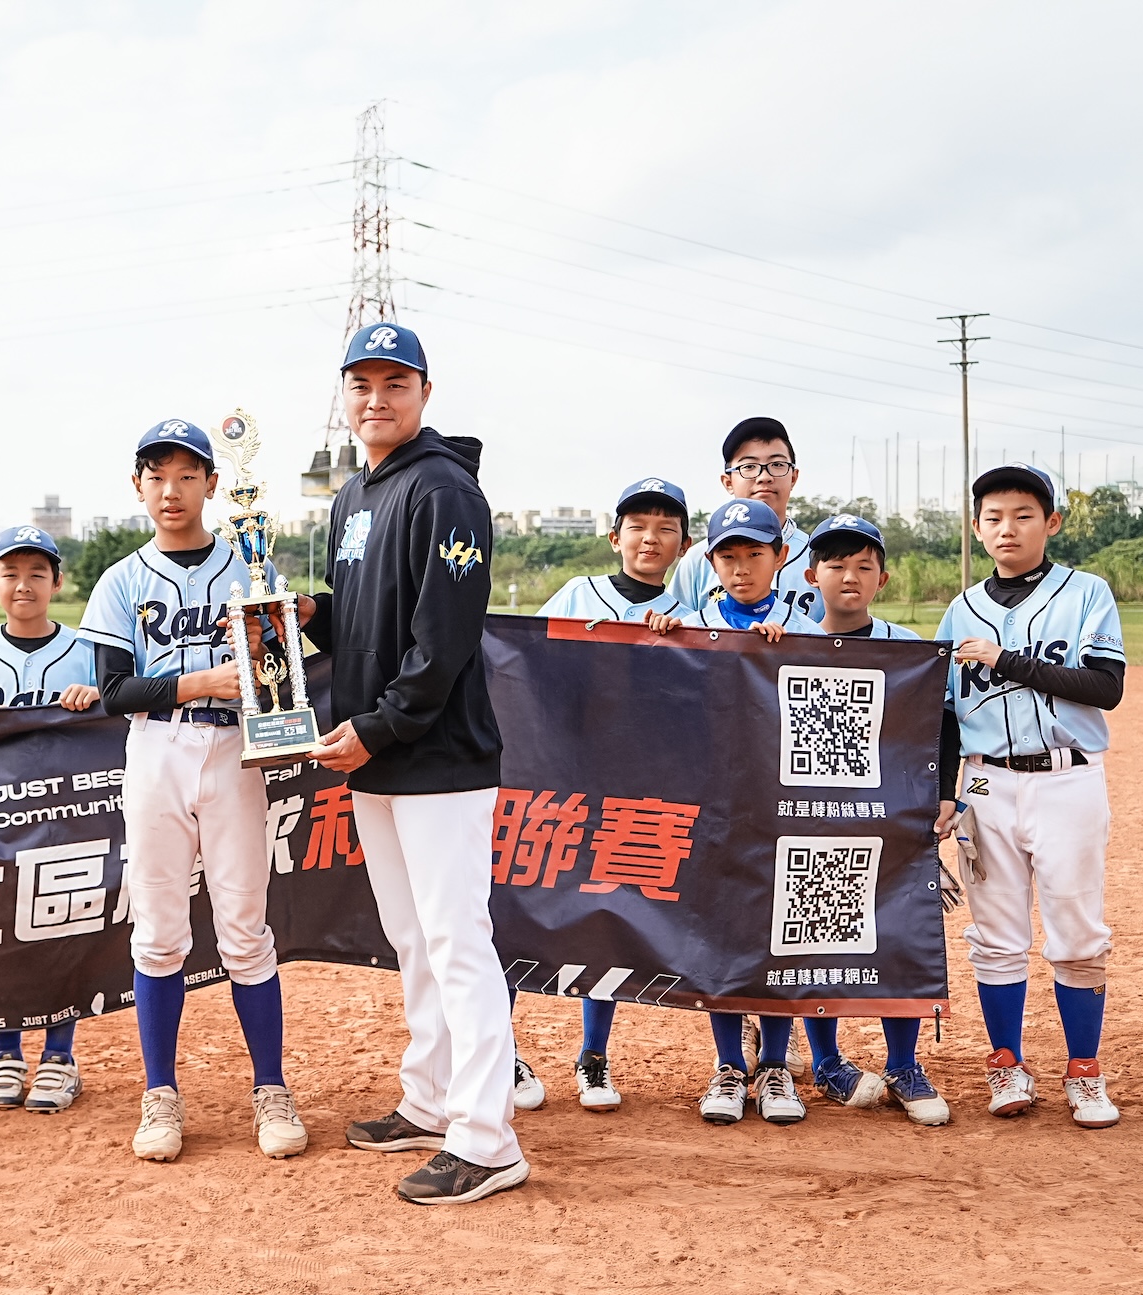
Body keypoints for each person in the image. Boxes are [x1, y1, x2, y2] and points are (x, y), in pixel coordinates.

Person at [285, 322, 527, 1205]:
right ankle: (429, 1099)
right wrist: (309, 615)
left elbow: (444, 637)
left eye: (395, 383)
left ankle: (487, 1138)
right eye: (361, 383)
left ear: (425, 392)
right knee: (413, 940)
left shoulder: (444, 489)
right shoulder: (355, 493)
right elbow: (367, 618)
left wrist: (381, 725)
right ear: (343, 395)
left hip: (436, 756)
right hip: (376, 753)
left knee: (458, 942)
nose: (376, 398)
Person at [77, 417, 307, 1164]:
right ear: (137, 486)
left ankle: (270, 1088)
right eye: (156, 476)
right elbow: (113, 690)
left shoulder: (250, 567)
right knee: (158, 932)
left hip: (235, 751)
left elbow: (283, 667)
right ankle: (160, 1094)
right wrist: (199, 680)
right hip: (157, 750)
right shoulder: (122, 578)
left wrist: (280, 647)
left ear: (212, 483)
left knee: (245, 927)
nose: (170, 490)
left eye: (185, 475)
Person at [935, 464, 1125, 1129]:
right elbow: (945, 715)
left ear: (1051, 522)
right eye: (992, 517)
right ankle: (1006, 1064)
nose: (1006, 528)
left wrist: (1004, 659)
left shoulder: (1086, 592)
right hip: (985, 782)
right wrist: (943, 792)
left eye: (1022, 515)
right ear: (976, 527)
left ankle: (1084, 1070)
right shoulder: (960, 609)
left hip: (1067, 778)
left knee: (1078, 933)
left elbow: (1104, 686)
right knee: (994, 935)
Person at [529, 476, 696, 1113]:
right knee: (520, 906)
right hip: (565, 780)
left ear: (683, 545)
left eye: (665, 529)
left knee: (607, 917)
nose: (650, 538)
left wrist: (677, 643)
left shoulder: (689, 615)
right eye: (638, 526)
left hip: (639, 790)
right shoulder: (578, 594)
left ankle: (593, 1056)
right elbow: (523, 662)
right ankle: (503, 1053)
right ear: (614, 536)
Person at [792, 512, 951, 1125]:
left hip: (891, 815)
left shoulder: (907, 650)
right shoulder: (788, 643)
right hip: (812, 814)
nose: (849, 577)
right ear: (812, 576)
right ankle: (826, 1061)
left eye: (864, 566)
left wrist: (945, 793)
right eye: (835, 565)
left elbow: (941, 727)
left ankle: (904, 1064)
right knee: (813, 938)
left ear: (882, 579)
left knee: (898, 932)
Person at [673, 497, 820, 1125]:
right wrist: (661, 640)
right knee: (723, 935)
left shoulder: (807, 630)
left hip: (783, 806)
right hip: (713, 808)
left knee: (782, 934)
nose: (741, 567)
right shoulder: (687, 625)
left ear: (780, 556)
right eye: (727, 556)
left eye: (754, 554)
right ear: (711, 563)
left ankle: (777, 1065)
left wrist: (790, 657)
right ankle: (731, 1065)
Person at [0, 525, 101, 1113]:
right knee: (2, 931)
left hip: (67, 819)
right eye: (10, 573)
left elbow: (119, 712)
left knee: (64, 929)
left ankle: (60, 1057)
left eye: (37, 573)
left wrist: (96, 697)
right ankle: (7, 1053)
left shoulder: (87, 651)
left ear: (57, 582)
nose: (24, 584)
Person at [670, 417, 823, 625]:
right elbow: (678, 634)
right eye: (749, 466)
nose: (764, 476)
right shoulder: (698, 559)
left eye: (777, 464)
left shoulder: (819, 556)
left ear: (793, 477)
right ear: (728, 482)